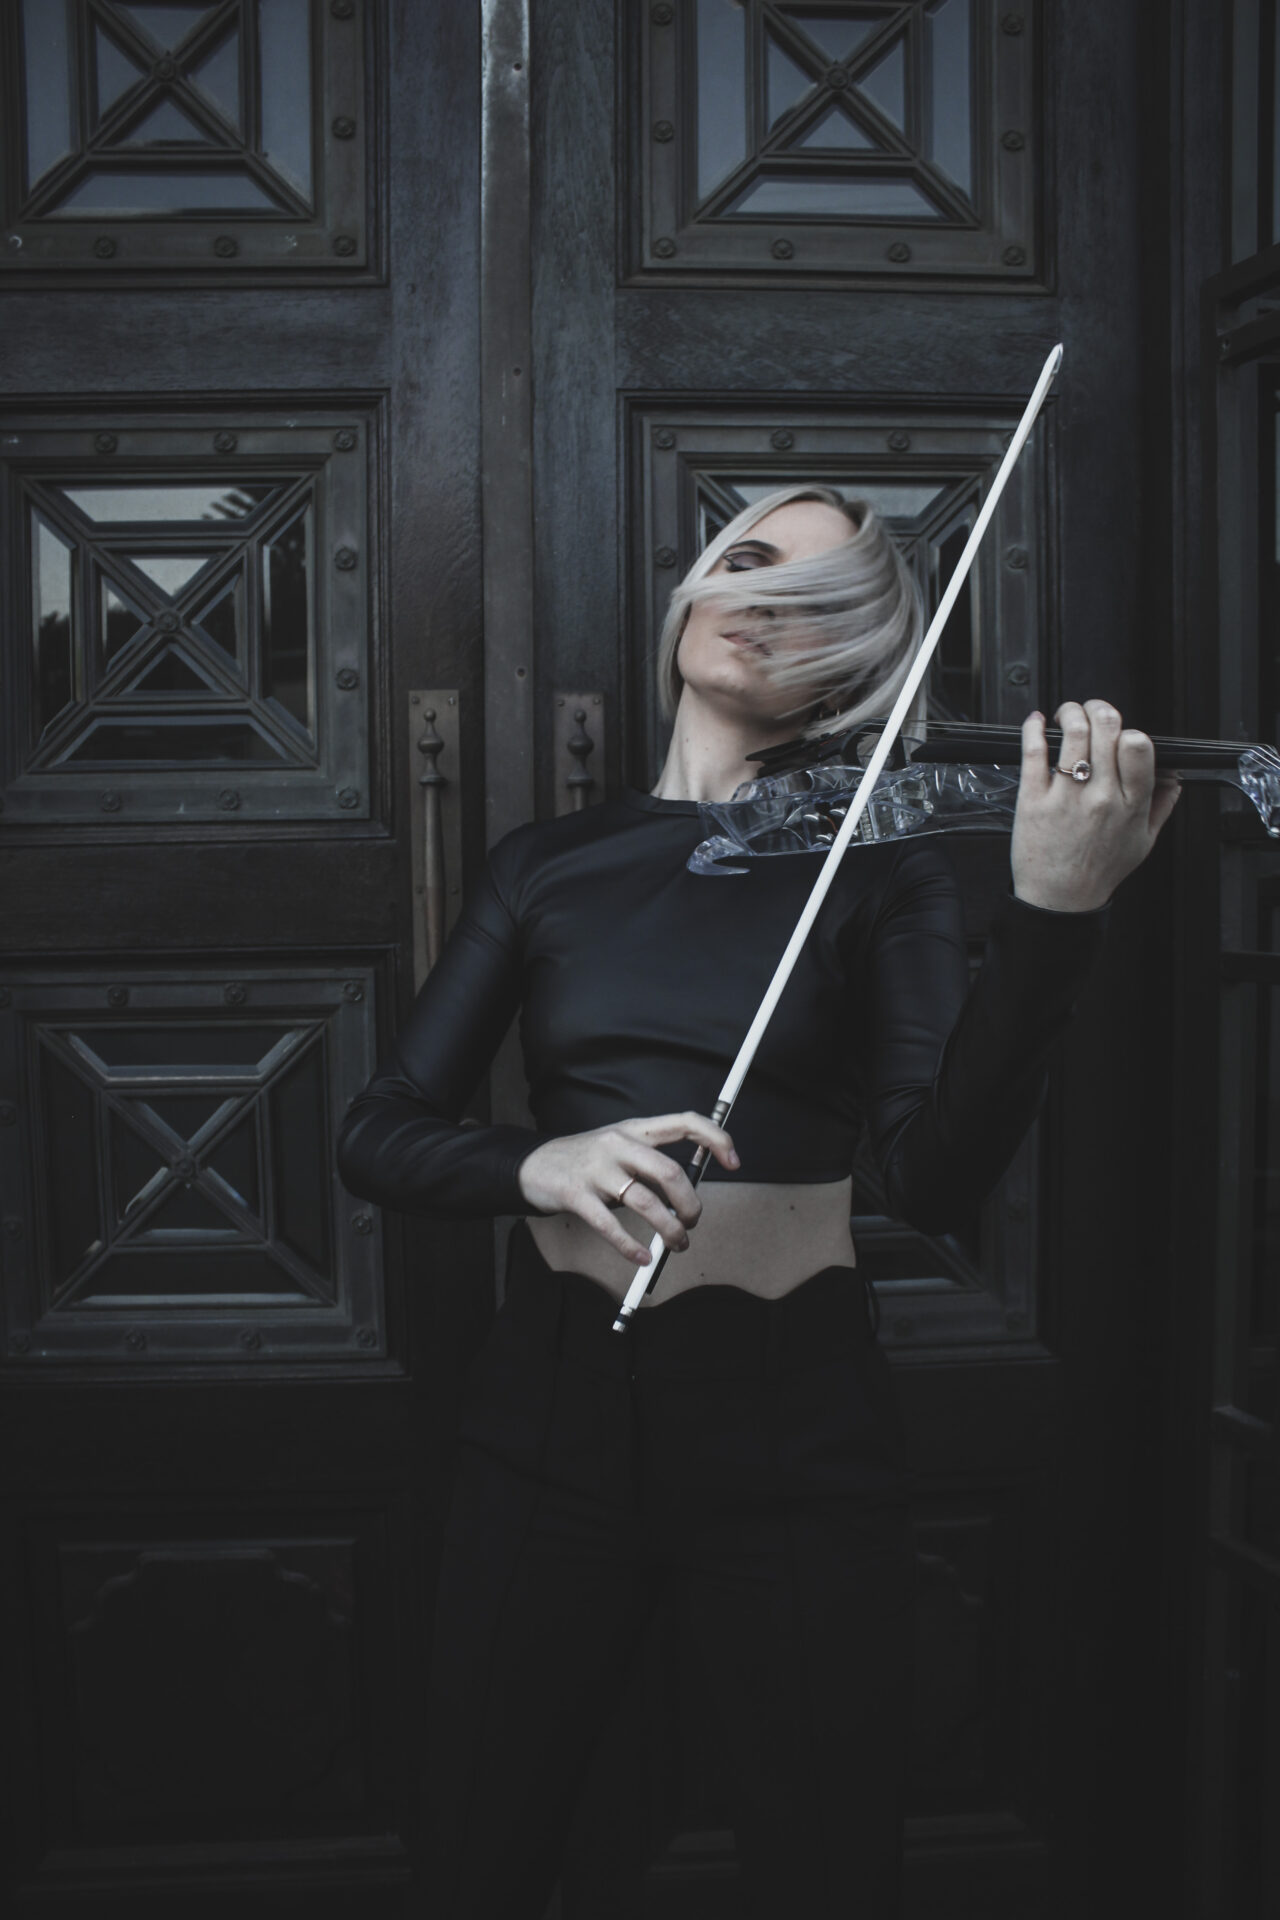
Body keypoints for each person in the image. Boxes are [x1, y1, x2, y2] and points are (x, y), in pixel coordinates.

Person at [336, 486, 1181, 1918]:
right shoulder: (547, 866)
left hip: (793, 1420)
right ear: (687, 594)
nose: (766, 599)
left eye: (825, 593)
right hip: (547, 1413)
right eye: (746, 562)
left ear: (860, 665)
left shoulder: (884, 866)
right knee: (483, 1839)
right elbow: (380, 1133)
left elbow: (931, 1177)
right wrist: (536, 1164)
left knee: (827, 1856)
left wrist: (1051, 923)